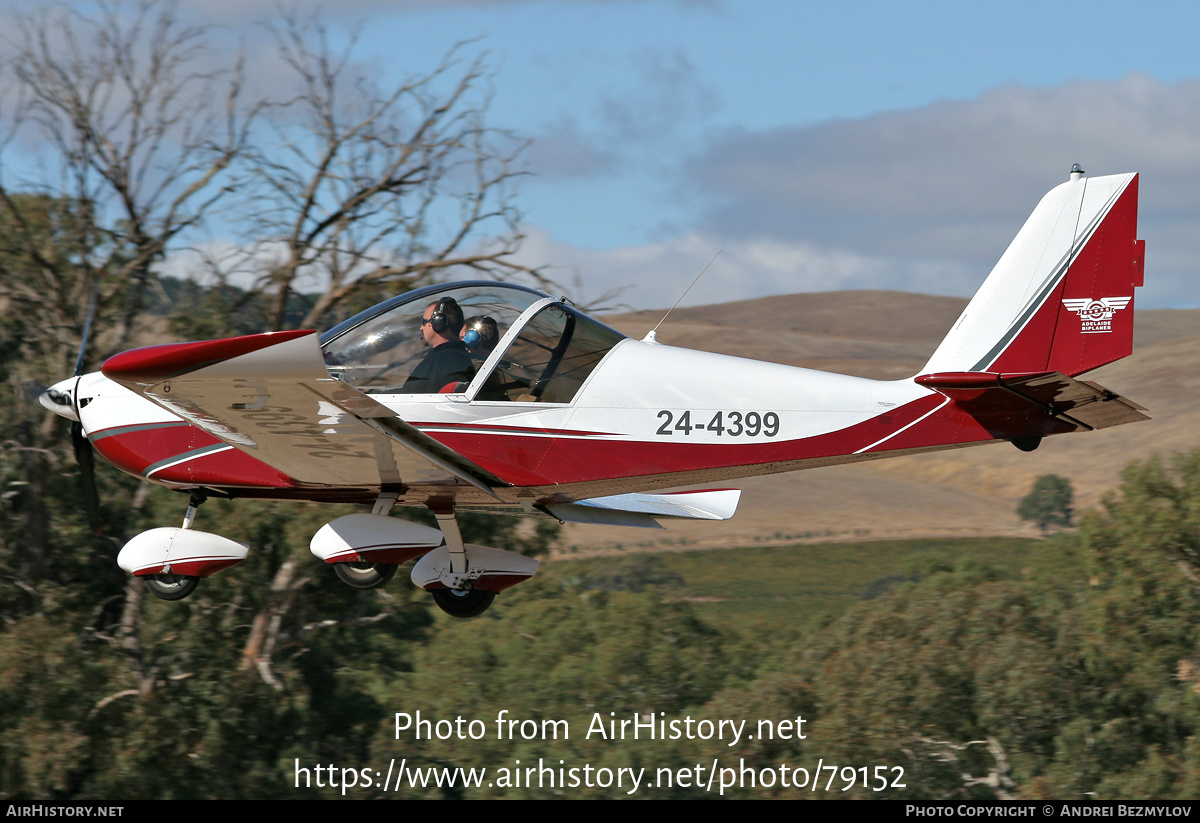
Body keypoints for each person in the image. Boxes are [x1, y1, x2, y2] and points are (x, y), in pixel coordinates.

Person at [400, 297, 476, 393]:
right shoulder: (460, 356)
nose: (421, 328)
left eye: (424, 322)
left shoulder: (440, 361)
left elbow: (409, 395)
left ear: (438, 322)